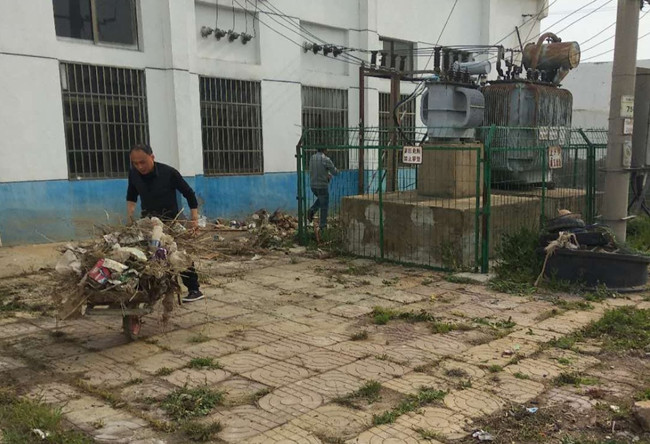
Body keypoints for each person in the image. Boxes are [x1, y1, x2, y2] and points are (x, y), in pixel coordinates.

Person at [126, 144, 204, 302]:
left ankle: (194, 289)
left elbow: (189, 194)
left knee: (178, 255)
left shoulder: (169, 173)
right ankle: (147, 290)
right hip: (148, 223)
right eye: (135, 163)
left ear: (152, 157)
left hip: (170, 221)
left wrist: (194, 220)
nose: (139, 166)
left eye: (142, 162)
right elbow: (131, 196)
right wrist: (129, 219)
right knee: (143, 255)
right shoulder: (133, 174)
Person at [308, 148, 338, 230]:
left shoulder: (312, 158)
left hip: (313, 185)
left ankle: (312, 210)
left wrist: (326, 173)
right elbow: (334, 172)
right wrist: (335, 171)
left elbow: (317, 170)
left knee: (321, 200)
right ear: (325, 150)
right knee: (324, 206)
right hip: (322, 186)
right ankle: (323, 226)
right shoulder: (326, 159)